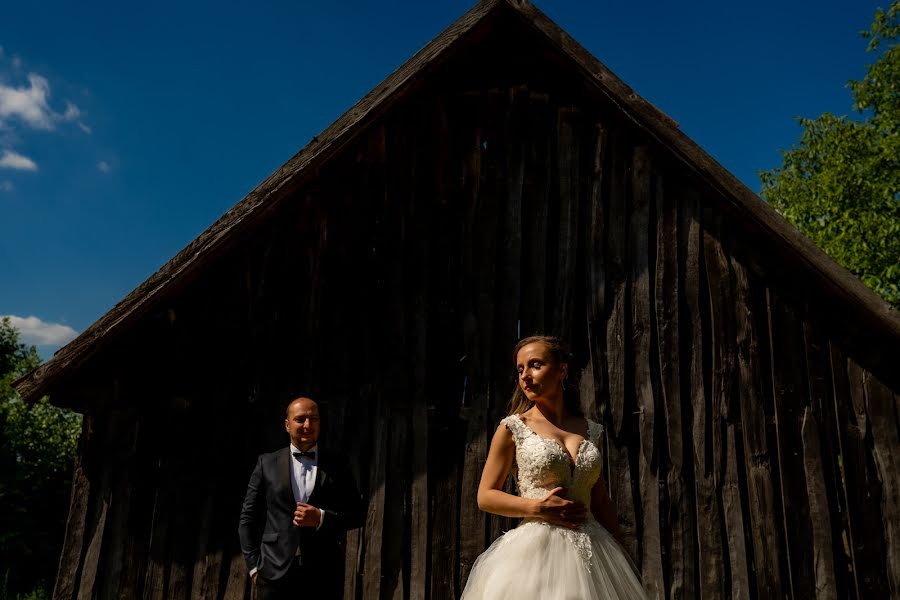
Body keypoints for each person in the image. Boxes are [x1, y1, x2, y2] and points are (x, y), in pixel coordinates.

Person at [461, 336, 649, 599]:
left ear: (562, 370)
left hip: (594, 552)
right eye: (520, 369)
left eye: (535, 365)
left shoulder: (590, 431)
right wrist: (537, 508)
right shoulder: (513, 428)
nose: (525, 375)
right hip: (536, 554)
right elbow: (485, 496)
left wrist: (621, 558)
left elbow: (600, 500)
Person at [238, 396, 363, 600]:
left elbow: (357, 514)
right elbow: (247, 518)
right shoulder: (266, 463)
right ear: (287, 425)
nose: (308, 425)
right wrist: (253, 568)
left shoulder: (336, 465)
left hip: (323, 575)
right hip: (272, 575)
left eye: (314, 419)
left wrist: (321, 518)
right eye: (301, 419)